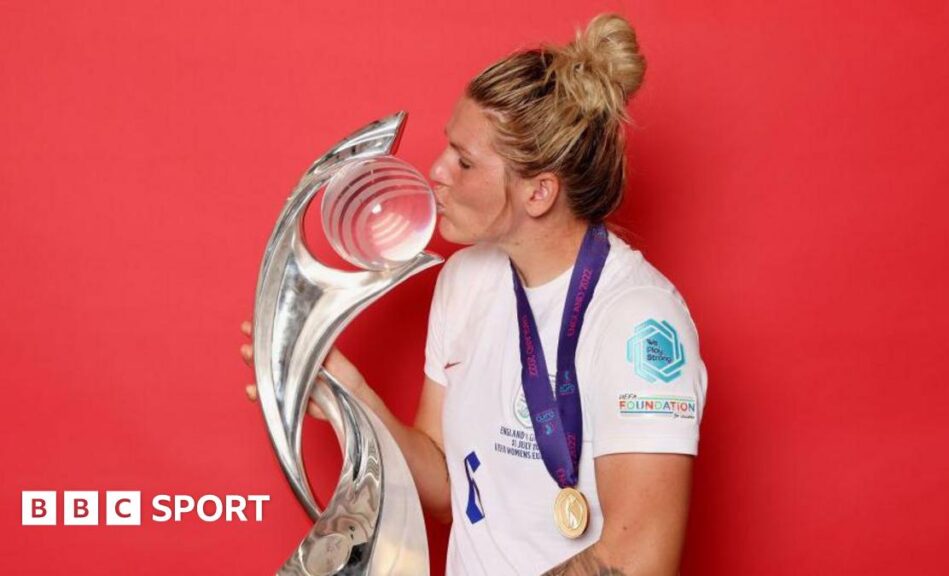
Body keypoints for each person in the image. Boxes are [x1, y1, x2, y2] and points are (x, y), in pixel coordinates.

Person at [241, 13, 708, 575]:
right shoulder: (465, 281)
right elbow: (444, 488)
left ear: (538, 192)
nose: (435, 171)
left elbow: (636, 564)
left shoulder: (638, 322)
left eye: (464, 162)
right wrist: (350, 394)